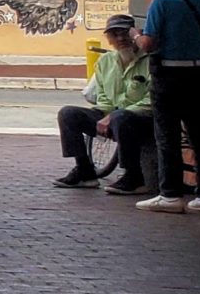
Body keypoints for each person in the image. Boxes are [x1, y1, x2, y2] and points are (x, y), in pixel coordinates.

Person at [136, 0, 200, 210]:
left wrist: (135, 36)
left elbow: (148, 44)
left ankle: (170, 195)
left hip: (169, 76)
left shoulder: (161, 4)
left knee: (167, 136)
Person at [57, 12, 152, 189]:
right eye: (114, 34)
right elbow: (103, 97)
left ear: (134, 34)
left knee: (121, 117)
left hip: (141, 120)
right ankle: (84, 171)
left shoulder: (149, 61)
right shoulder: (105, 61)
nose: (120, 38)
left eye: (125, 33)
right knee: (68, 113)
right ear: (109, 39)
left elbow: (151, 100)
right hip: (113, 117)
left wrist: (115, 115)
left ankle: (134, 176)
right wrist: (104, 114)